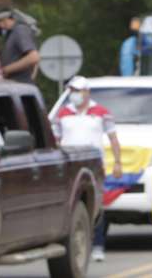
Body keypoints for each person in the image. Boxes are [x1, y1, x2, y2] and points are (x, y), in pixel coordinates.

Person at [52, 76, 123, 262]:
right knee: (74, 206)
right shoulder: (63, 113)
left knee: (97, 206)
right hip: (70, 167)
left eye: (77, 91)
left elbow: (113, 139)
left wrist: (117, 162)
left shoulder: (101, 112)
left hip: (94, 166)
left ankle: (98, 245)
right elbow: (56, 141)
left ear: (87, 92)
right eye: (72, 91)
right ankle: (76, 246)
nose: (74, 94)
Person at [0, 5, 40, 83]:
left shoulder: (20, 30)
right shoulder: (11, 34)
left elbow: (34, 57)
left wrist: (6, 70)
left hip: (21, 85)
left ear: (2, 20)